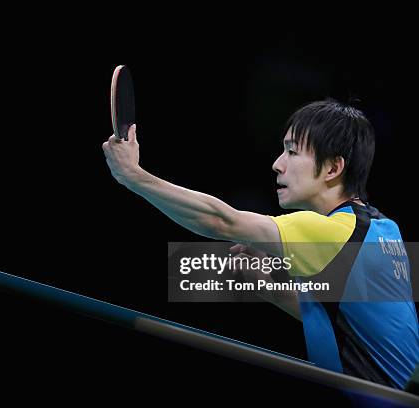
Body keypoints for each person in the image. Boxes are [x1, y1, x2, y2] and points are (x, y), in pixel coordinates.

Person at [102, 99, 419, 390]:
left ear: (334, 168)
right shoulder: (382, 229)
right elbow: (351, 322)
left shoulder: (332, 232)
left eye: (293, 152)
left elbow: (221, 221)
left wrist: (133, 176)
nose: (277, 164)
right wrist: (272, 290)